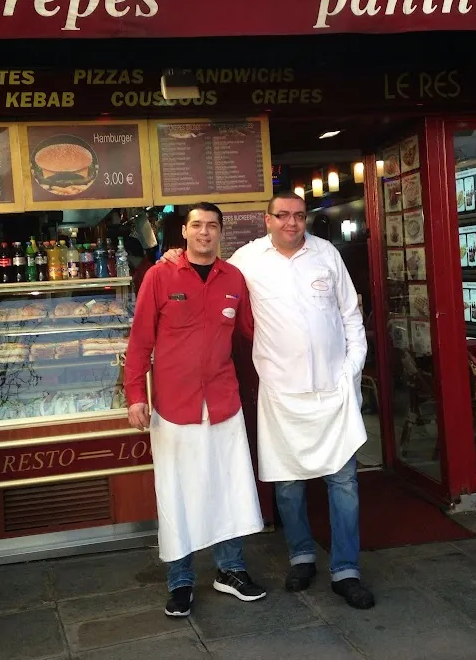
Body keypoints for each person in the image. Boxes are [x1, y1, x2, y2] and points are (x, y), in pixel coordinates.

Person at [160, 191, 374, 609]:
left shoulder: (327, 254)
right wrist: (174, 257)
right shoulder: (246, 261)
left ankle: (346, 569)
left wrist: (350, 371)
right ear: (267, 220)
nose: (291, 223)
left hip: (333, 391)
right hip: (281, 392)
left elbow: (351, 314)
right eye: (282, 216)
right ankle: (302, 556)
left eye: (298, 216)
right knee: (289, 484)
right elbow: (207, 269)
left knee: (344, 481)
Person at [124, 202, 266, 618]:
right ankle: (180, 581)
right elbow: (140, 342)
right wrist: (136, 394)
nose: (205, 233)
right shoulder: (160, 275)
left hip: (223, 401)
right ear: (184, 232)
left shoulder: (235, 278)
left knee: (230, 487)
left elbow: (252, 333)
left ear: (221, 232)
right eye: (197, 226)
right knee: (176, 493)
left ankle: (231, 570)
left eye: (212, 226)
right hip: (172, 407)